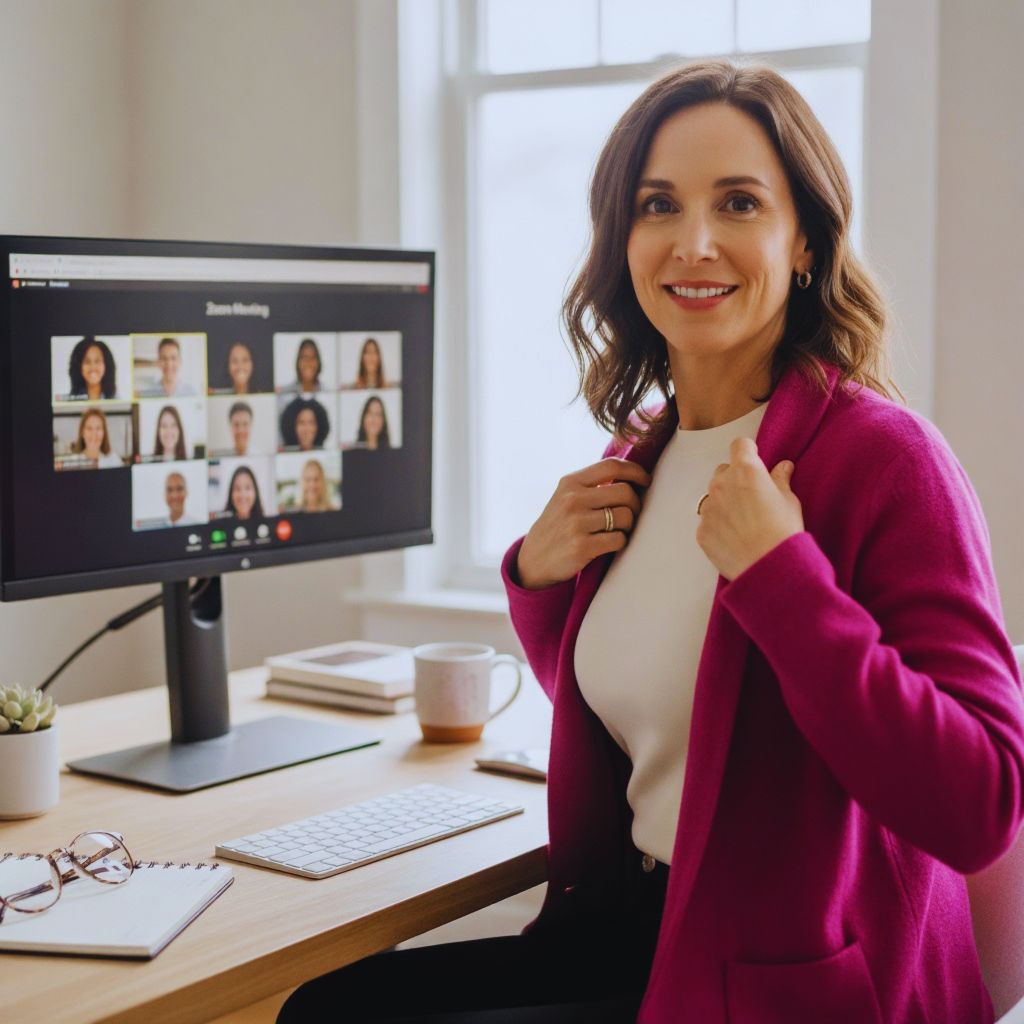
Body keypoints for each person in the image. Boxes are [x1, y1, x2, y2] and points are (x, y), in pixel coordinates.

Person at [278, 60, 1024, 1024]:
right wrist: (540, 580)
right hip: (637, 924)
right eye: (658, 204)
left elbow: (980, 805)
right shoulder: (640, 451)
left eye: (741, 203)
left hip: (793, 976)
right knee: (325, 1009)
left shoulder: (887, 461)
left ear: (806, 243)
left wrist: (784, 580)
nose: (694, 242)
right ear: (622, 240)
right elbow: (655, 716)